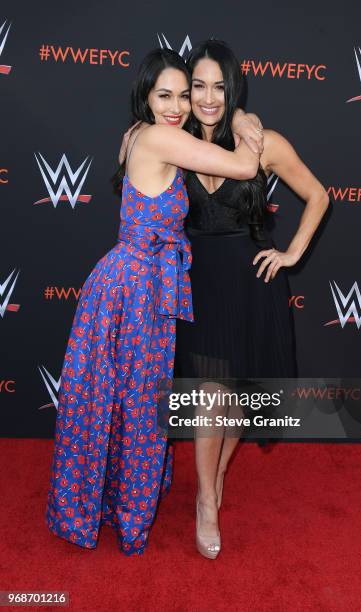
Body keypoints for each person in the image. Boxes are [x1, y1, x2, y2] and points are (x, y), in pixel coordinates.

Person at [45, 48, 262, 556]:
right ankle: (127, 516)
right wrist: (243, 117)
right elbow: (244, 165)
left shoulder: (145, 135)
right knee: (138, 407)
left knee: (120, 406)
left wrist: (232, 113)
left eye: (184, 95)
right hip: (135, 293)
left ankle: (107, 504)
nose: (179, 105)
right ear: (144, 96)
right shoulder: (163, 136)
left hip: (134, 289)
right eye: (165, 95)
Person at [173, 40, 330, 559]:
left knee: (238, 403)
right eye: (199, 86)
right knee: (209, 394)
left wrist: (290, 254)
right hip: (199, 286)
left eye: (220, 86)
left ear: (233, 87)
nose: (208, 97)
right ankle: (207, 499)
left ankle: (214, 473)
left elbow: (318, 195)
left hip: (253, 282)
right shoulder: (176, 141)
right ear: (187, 91)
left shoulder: (263, 145)